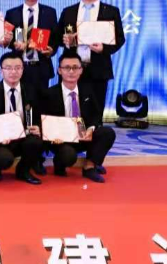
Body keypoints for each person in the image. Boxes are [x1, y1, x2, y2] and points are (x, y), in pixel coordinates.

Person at [54, 0, 125, 111]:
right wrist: (66, 40)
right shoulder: (68, 11)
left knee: (95, 110)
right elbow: (57, 37)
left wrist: (104, 48)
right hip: (71, 69)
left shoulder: (111, 11)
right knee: (68, 109)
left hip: (98, 69)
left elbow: (120, 38)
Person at [41, 53, 116, 183]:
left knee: (107, 133)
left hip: (83, 135)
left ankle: (89, 166)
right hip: (61, 140)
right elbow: (45, 121)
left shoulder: (88, 90)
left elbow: (96, 114)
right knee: (68, 155)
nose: (71, 71)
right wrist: (53, 137)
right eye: (67, 67)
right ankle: (59, 164)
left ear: (81, 70)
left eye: (75, 67)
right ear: (59, 70)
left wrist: (91, 128)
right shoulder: (49, 93)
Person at [0, 52, 42, 185]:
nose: (13, 72)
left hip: (23, 136)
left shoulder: (31, 90)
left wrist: (37, 127)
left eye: (17, 68)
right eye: (8, 68)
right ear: (1, 71)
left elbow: (37, 116)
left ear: (23, 69)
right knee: (3, 159)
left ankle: (23, 171)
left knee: (35, 142)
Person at [5, 0, 58, 89]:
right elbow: (7, 39)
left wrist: (51, 50)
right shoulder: (12, 13)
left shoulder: (50, 12)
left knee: (42, 100)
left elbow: (55, 38)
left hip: (41, 67)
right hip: (18, 67)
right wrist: (13, 44)